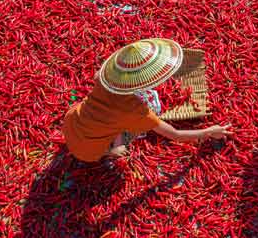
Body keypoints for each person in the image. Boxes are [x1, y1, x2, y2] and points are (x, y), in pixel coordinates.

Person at [62, 38, 232, 163]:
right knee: (122, 140)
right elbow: (176, 135)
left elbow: (97, 75)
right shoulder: (135, 111)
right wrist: (209, 131)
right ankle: (109, 151)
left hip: (71, 121)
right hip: (87, 151)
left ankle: (108, 141)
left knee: (108, 121)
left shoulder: (106, 78)